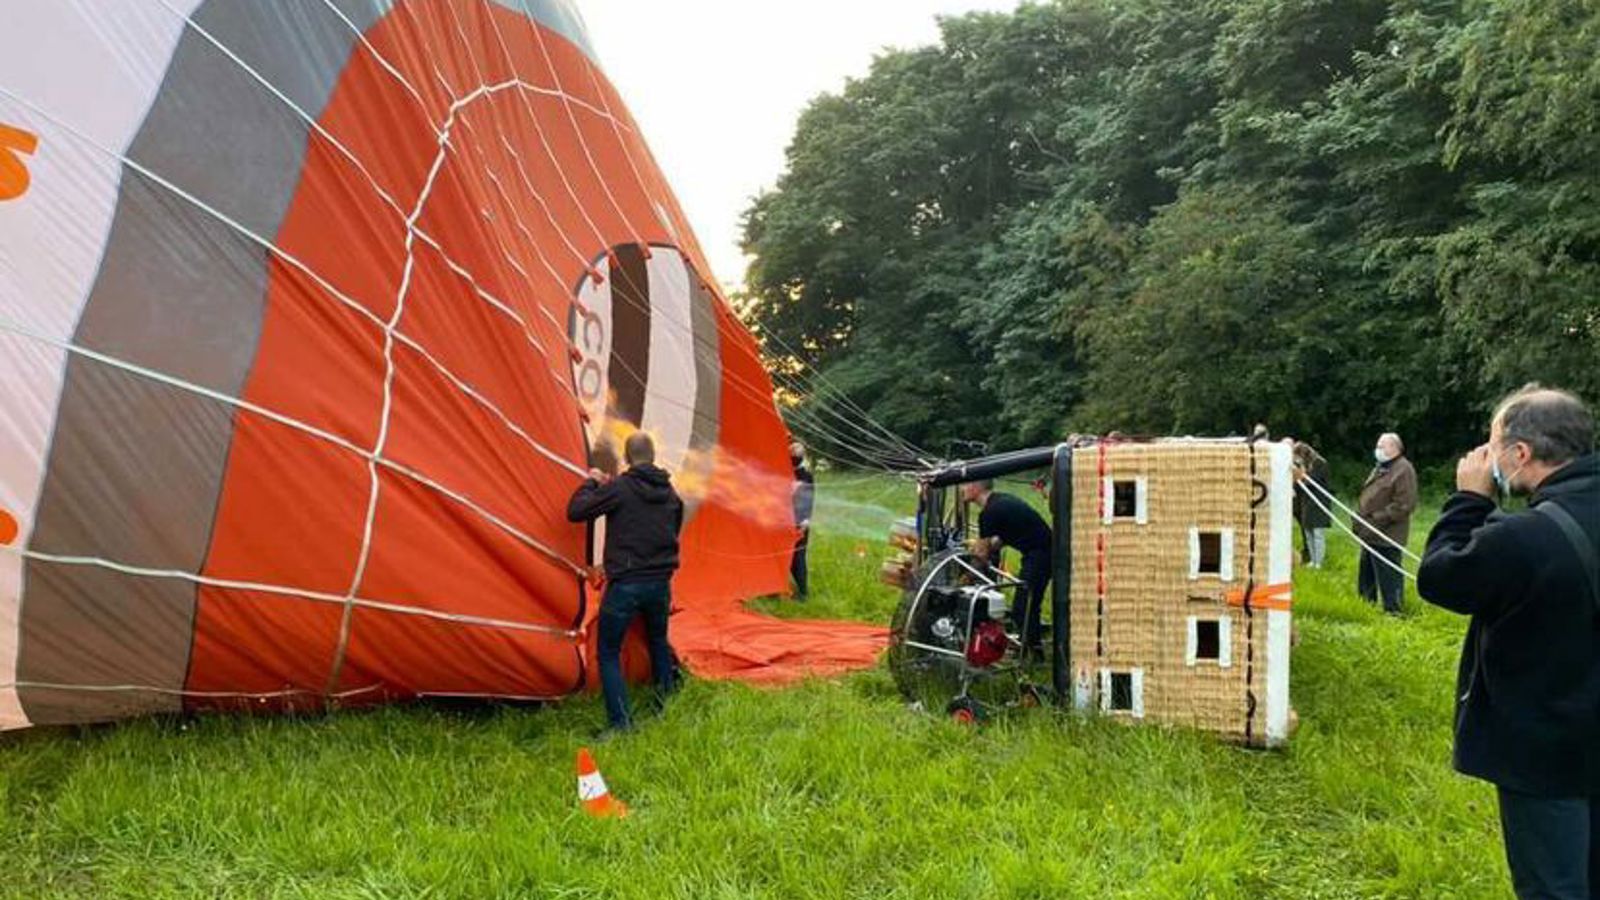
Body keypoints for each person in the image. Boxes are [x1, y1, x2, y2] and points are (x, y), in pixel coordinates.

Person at [1417, 385, 1599, 899]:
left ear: (1520, 454)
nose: (1486, 456)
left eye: (1492, 444)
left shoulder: (1524, 538)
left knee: (1554, 887)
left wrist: (1469, 500)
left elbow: (1440, 577)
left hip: (1546, 752)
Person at [566, 431, 684, 734]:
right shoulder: (671, 495)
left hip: (627, 584)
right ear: (654, 456)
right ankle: (666, 704)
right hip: (660, 583)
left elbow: (576, 511)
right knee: (657, 641)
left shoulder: (620, 488)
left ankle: (621, 724)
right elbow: (666, 532)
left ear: (627, 458)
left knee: (608, 652)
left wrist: (592, 480)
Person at [960, 479, 1053, 653]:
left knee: (1023, 608)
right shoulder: (1000, 501)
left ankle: (1033, 652)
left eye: (965, 485)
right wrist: (981, 546)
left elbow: (981, 556)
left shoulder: (989, 512)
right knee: (1028, 604)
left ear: (976, 486)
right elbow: (1002, 537)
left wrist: (965, 578)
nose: (961, 489)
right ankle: (1030, 647)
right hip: (1043, 551)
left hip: (1041, 554)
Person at [1356, 431, 1418, 614]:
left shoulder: (1403, 469)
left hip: (1387, 533)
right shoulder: (1381, 467)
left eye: (1382, 446)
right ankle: (1365, 607)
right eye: (1378, 446)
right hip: (1369, 532)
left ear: (1394, 448)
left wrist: (1377, 518)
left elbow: (1405, 504)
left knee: (1389, 573)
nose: (1378, 450)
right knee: (1366, 573)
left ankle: (1394, 611)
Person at [1293, 441, 1333, 568]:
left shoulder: (1320, 463)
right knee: (1308, 532)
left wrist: (1300, 474)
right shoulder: (1305, 465)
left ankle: (1319, 562)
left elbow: (1311, 481)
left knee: (1317, 533)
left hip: (1318, 502)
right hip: (1307, 502)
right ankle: (1313, 559)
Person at [790, 441, 815, 600]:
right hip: (788, 520)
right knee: (787, 557)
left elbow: (808, 498)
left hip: (800, 522)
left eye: (795, 456)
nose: (793, 458)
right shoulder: (789, 471)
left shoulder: (806, 474)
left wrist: (805, 520)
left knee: (797, 557)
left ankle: (803, 592)